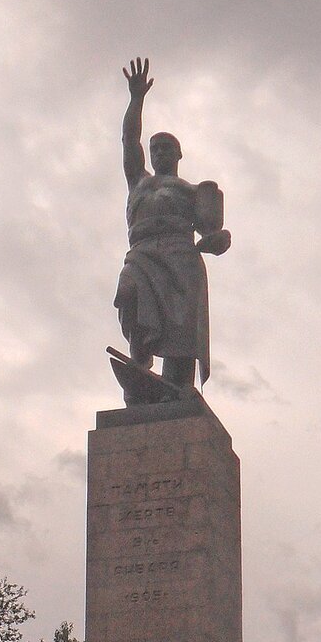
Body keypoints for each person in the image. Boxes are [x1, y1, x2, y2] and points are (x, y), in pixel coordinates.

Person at [114, 57, 231, 395]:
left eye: (167, 148)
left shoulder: (193, 191)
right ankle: (140, 359)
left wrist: (217, 240)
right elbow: (128, 139)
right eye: (155, 148)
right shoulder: (138, 181)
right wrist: (137, 99)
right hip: (142, 255)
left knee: (181, 327)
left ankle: (177, 385)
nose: (159, 152)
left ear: (179, 154)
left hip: (181, 257)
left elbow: (213, 232)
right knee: (128, 295)